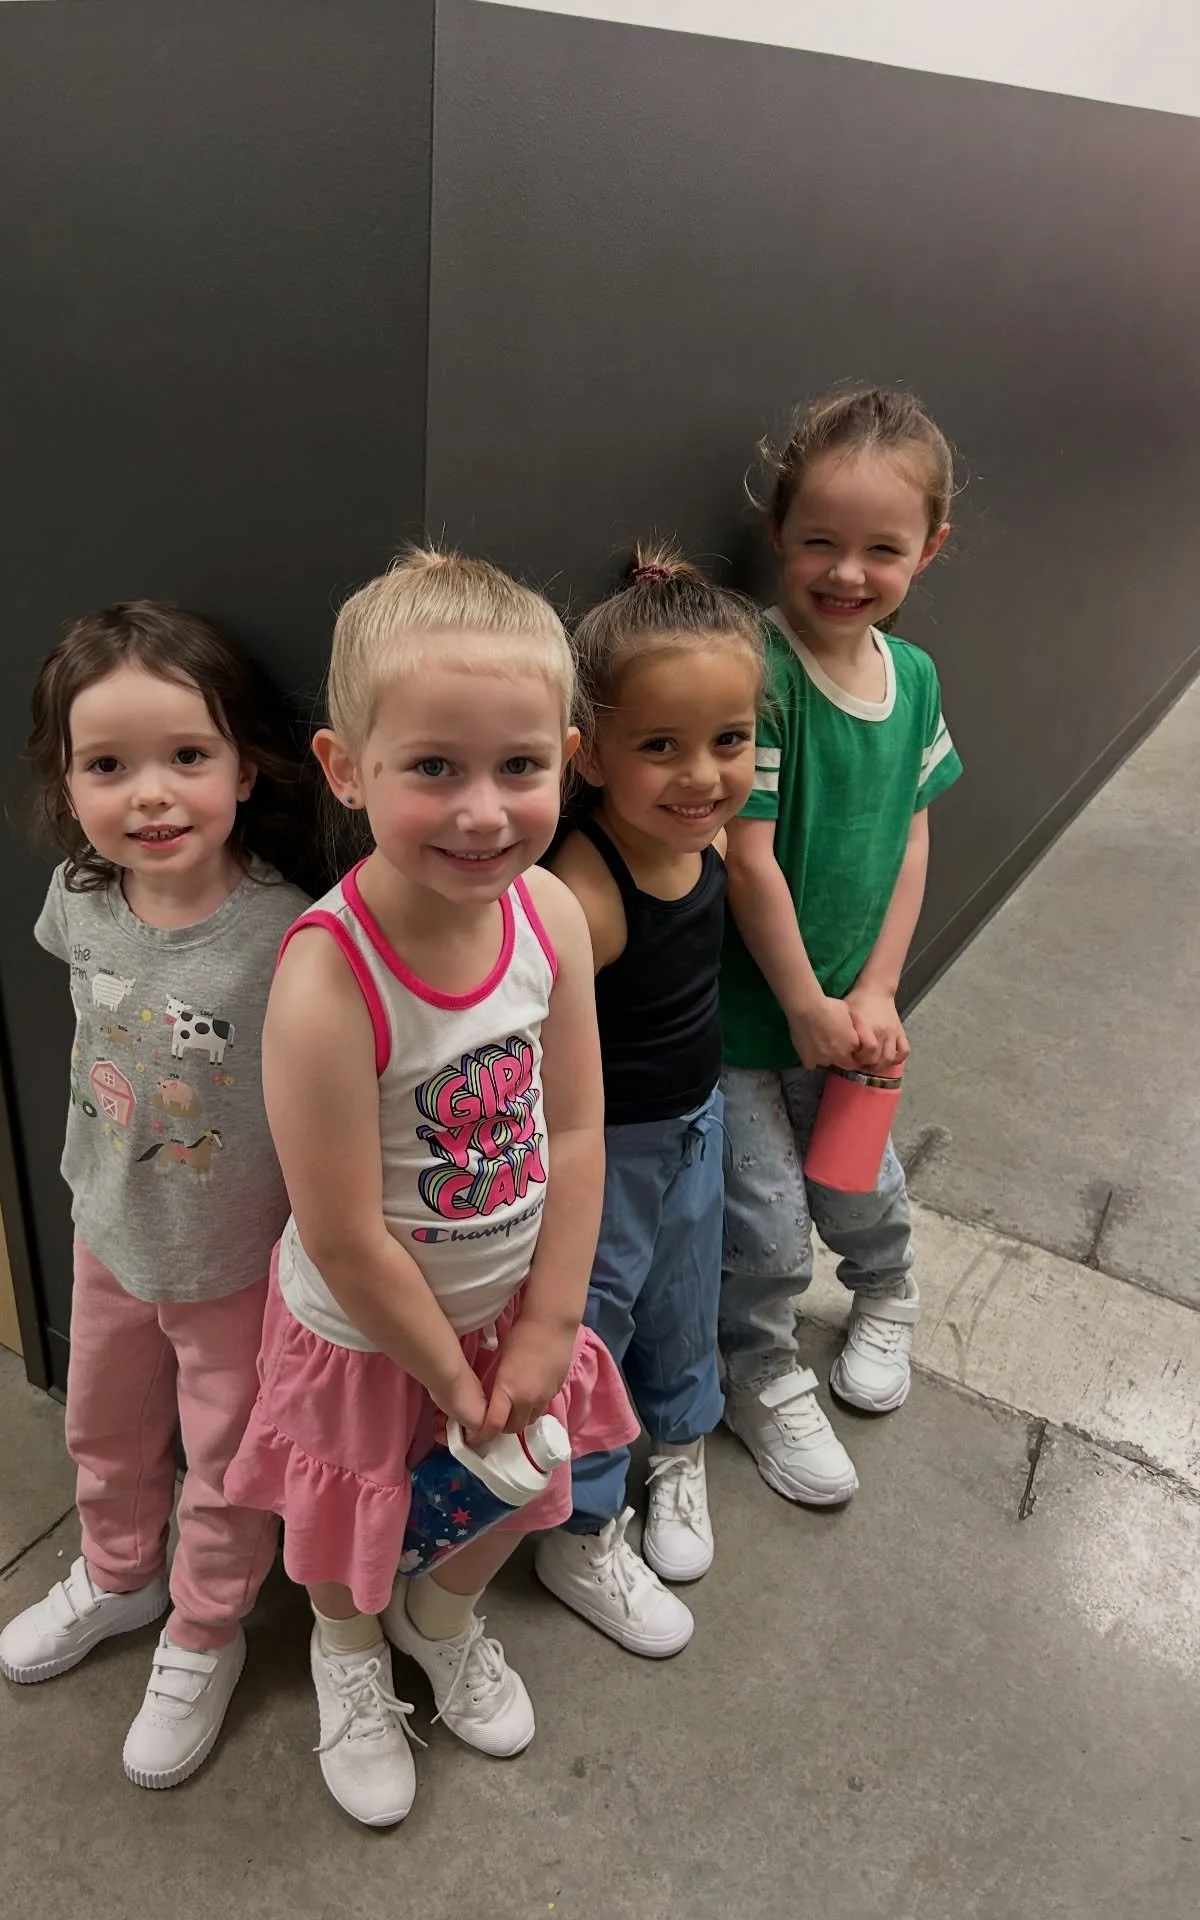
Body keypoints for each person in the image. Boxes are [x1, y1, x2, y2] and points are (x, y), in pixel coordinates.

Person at [224, 548, 637, 1827]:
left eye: (518, 767)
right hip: (368, 1336)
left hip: (514, 1310)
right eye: (432, 770)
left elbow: (575, 1127)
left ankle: (441, 1619)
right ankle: (349, 1653)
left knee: (517, 1489)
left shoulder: (552, 921)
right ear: (348, 770)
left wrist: (550, 1324)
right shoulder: (326, 980)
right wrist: (451, 1379)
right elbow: (344, 1235)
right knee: (352, 1531)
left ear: (567, 758)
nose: (481, 812)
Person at [0, 600, 311, 1788]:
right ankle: (121, 1572)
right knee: (104, 1419)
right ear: (67, 782)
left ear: (245, 765)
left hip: (236, 1256)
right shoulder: (81, 901)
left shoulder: (285, 932)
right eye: (109, 765)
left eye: (188, 757)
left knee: (229, 1458)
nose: (153, 795)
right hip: (108, 1230)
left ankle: (205, 1627)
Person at [719, 387, 963, 1504]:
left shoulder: (911, 681)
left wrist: (873, 988)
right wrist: (807, 1003)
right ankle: (759, 1369)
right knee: (762, 1218)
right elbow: (748, 855)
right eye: (820, 541)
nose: (847, 572)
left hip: (849, 1010)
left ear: (930, 549)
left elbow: (913, 839)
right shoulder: (758, 677)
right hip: (744, 1015)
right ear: (779, 532)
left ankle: (887, 1290)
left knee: (860, 1180)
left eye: (881, 549)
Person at [536, 544, 763, 1657]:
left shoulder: (703, 837)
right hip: (608, 1151)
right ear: (592, 754)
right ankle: (577, 1518)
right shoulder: (584, 889)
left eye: (730, 741)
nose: (702, 775)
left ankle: (677, 1446)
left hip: (695, 1121)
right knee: (592, 1324)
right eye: (659, 746)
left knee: (682, 1296)